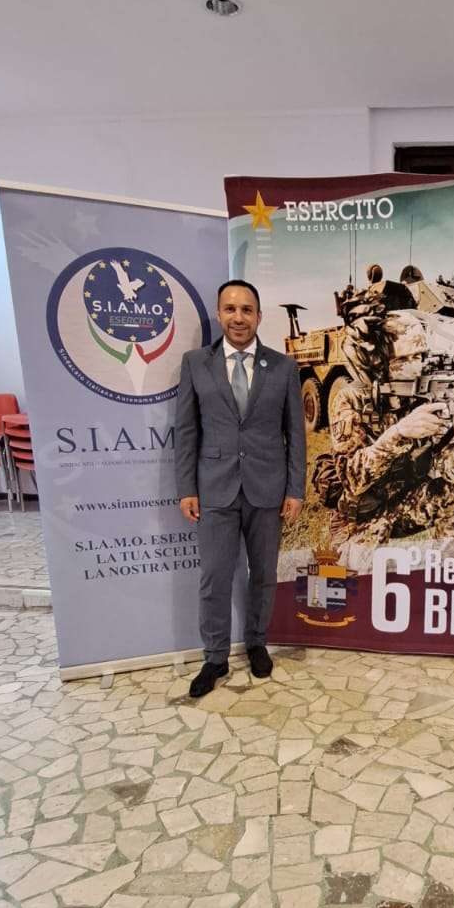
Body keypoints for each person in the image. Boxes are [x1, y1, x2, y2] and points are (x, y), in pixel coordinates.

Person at [175, 280, 306, 698]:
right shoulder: (196, 363)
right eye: (230, 309)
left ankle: (256, 643)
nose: (238, 317)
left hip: (268, 489)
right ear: (219, 314)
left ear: (259, 317)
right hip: (214, 489)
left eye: (247, 310)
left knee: (263, 575)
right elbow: (186, 431)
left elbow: (295, 434)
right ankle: (214, 657)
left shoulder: (283, 367)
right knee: (214, 577)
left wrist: (296, 490)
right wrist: (186, 487)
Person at [311, 285, 454, 550]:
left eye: (420, 356)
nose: (417, 365)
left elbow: (451, 470)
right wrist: (399, 433)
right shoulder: (351, 399)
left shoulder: (424, 397)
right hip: (358, 519)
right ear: (380, 362)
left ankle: (446, 570)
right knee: (356, 573)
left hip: (404, 507)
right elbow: (352, 480)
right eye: (406, 358)